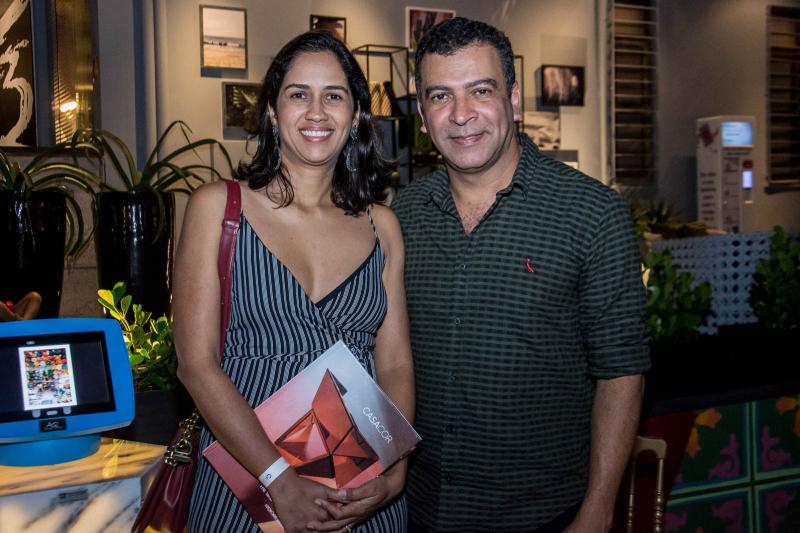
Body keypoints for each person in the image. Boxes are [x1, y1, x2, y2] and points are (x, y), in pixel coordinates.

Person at [392, 17, 650, 533]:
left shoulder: (592, 214)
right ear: (422, 113)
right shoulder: (403, 214)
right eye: (441, 96)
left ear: (513, 99)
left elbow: (621, 373)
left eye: (480, 91)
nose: (460, 115)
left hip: (543, 514)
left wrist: (598, 510)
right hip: (417, 510)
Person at [173, 31, 414, 533]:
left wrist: (395, 470)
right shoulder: (218, 208)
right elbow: (196, 364)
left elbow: (394, 363)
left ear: (356, 116)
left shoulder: (382, 226)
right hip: (246, 482)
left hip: (359, 484)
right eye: (299, 94)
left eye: (334, 96)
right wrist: (278, 479)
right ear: (272, 111)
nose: (316, 112)